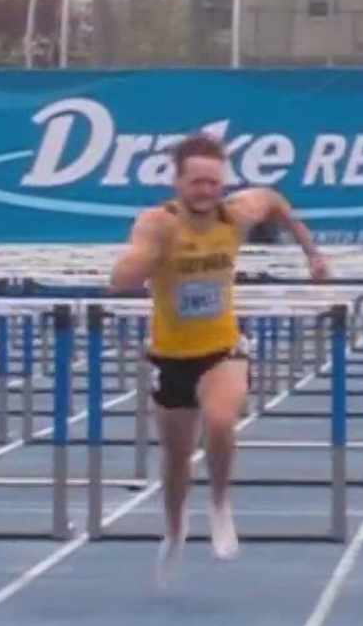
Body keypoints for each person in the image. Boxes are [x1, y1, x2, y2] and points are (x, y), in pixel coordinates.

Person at [109, 133, 329, 587]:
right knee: (175, 457)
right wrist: (142, 264)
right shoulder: (159, 223)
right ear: (178, 182)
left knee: (223, 421)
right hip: (170, 353)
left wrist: (312, 252)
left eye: (213, 182)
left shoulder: (237, 213)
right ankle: (174, 528)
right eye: (197, 182)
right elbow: (123, 274)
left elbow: (275, 202)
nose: (206, 190)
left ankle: (220, 502)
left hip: (222, 346)